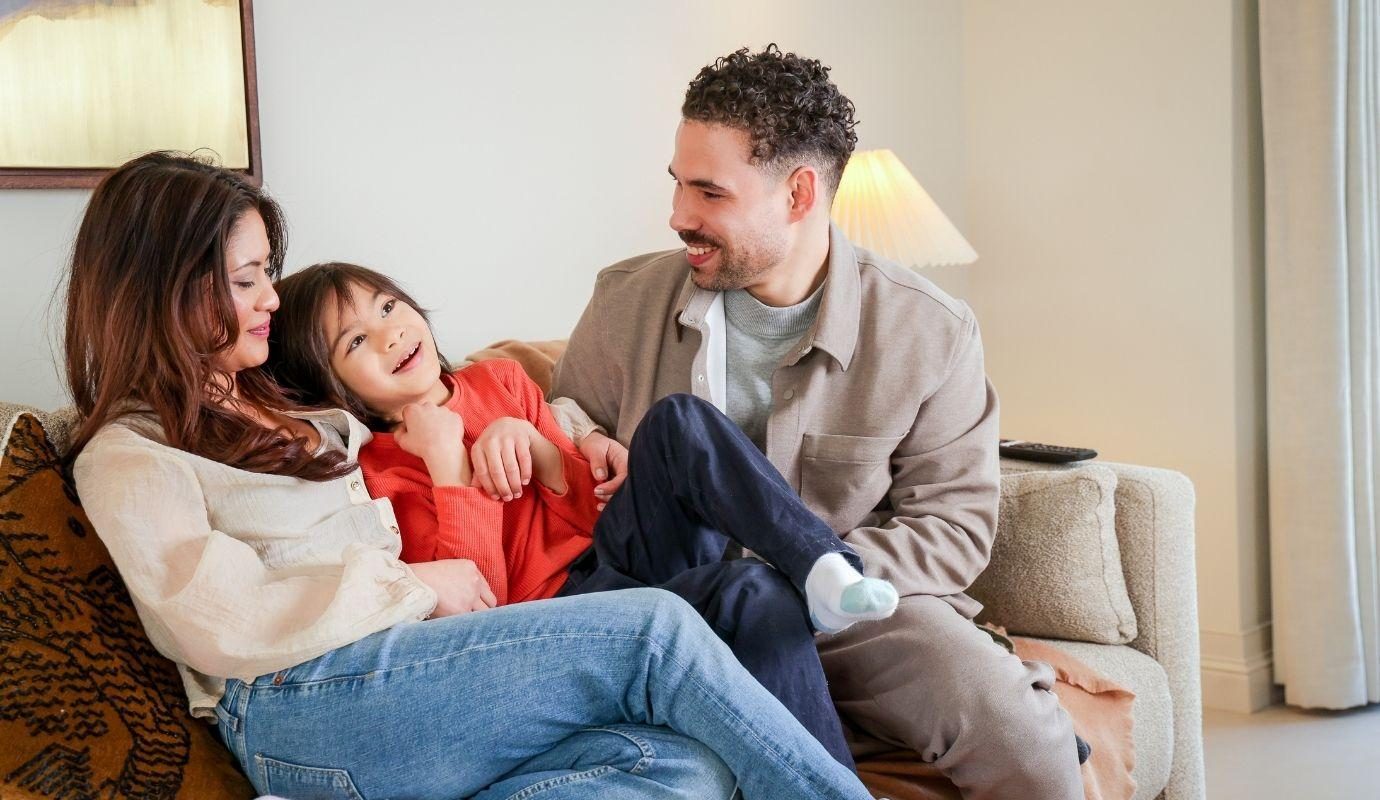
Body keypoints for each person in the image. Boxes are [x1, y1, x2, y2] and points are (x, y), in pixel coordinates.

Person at [62, 151, 880, 800]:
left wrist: (572, 441)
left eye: (267, 272)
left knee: (685, 768)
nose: (270, 299)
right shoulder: (130, 456)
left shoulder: (287, 411)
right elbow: (217, 618)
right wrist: (410, 586)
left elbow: (556, 472)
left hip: (406, 681)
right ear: (161, 292)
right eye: (245, 281)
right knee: (655, 631)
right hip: (301, 705)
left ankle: (819, 569)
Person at [551, 45, 1086, 799]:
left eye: (710, 193)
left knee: (1025, 743)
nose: (678, 216)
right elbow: (563, 434)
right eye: (677, 185)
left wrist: (796, 573)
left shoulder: (928, 331)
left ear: (799, 193)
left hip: (855, 607)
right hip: (673, 601)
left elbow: (955, 526)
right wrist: (580, 439)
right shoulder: (625, 301)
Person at [264, 261, 899, 768]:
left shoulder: (501, 382)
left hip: (617, 560)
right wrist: (447, 467)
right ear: (332, 386)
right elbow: (482, 605)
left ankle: (822, 566)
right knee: (753, 591)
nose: (390, 333)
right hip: (563, 630)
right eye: (355, 341)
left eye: (387, 306)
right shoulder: (378, 471)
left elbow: (585, 508)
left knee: (676, 419)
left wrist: (532, 441)